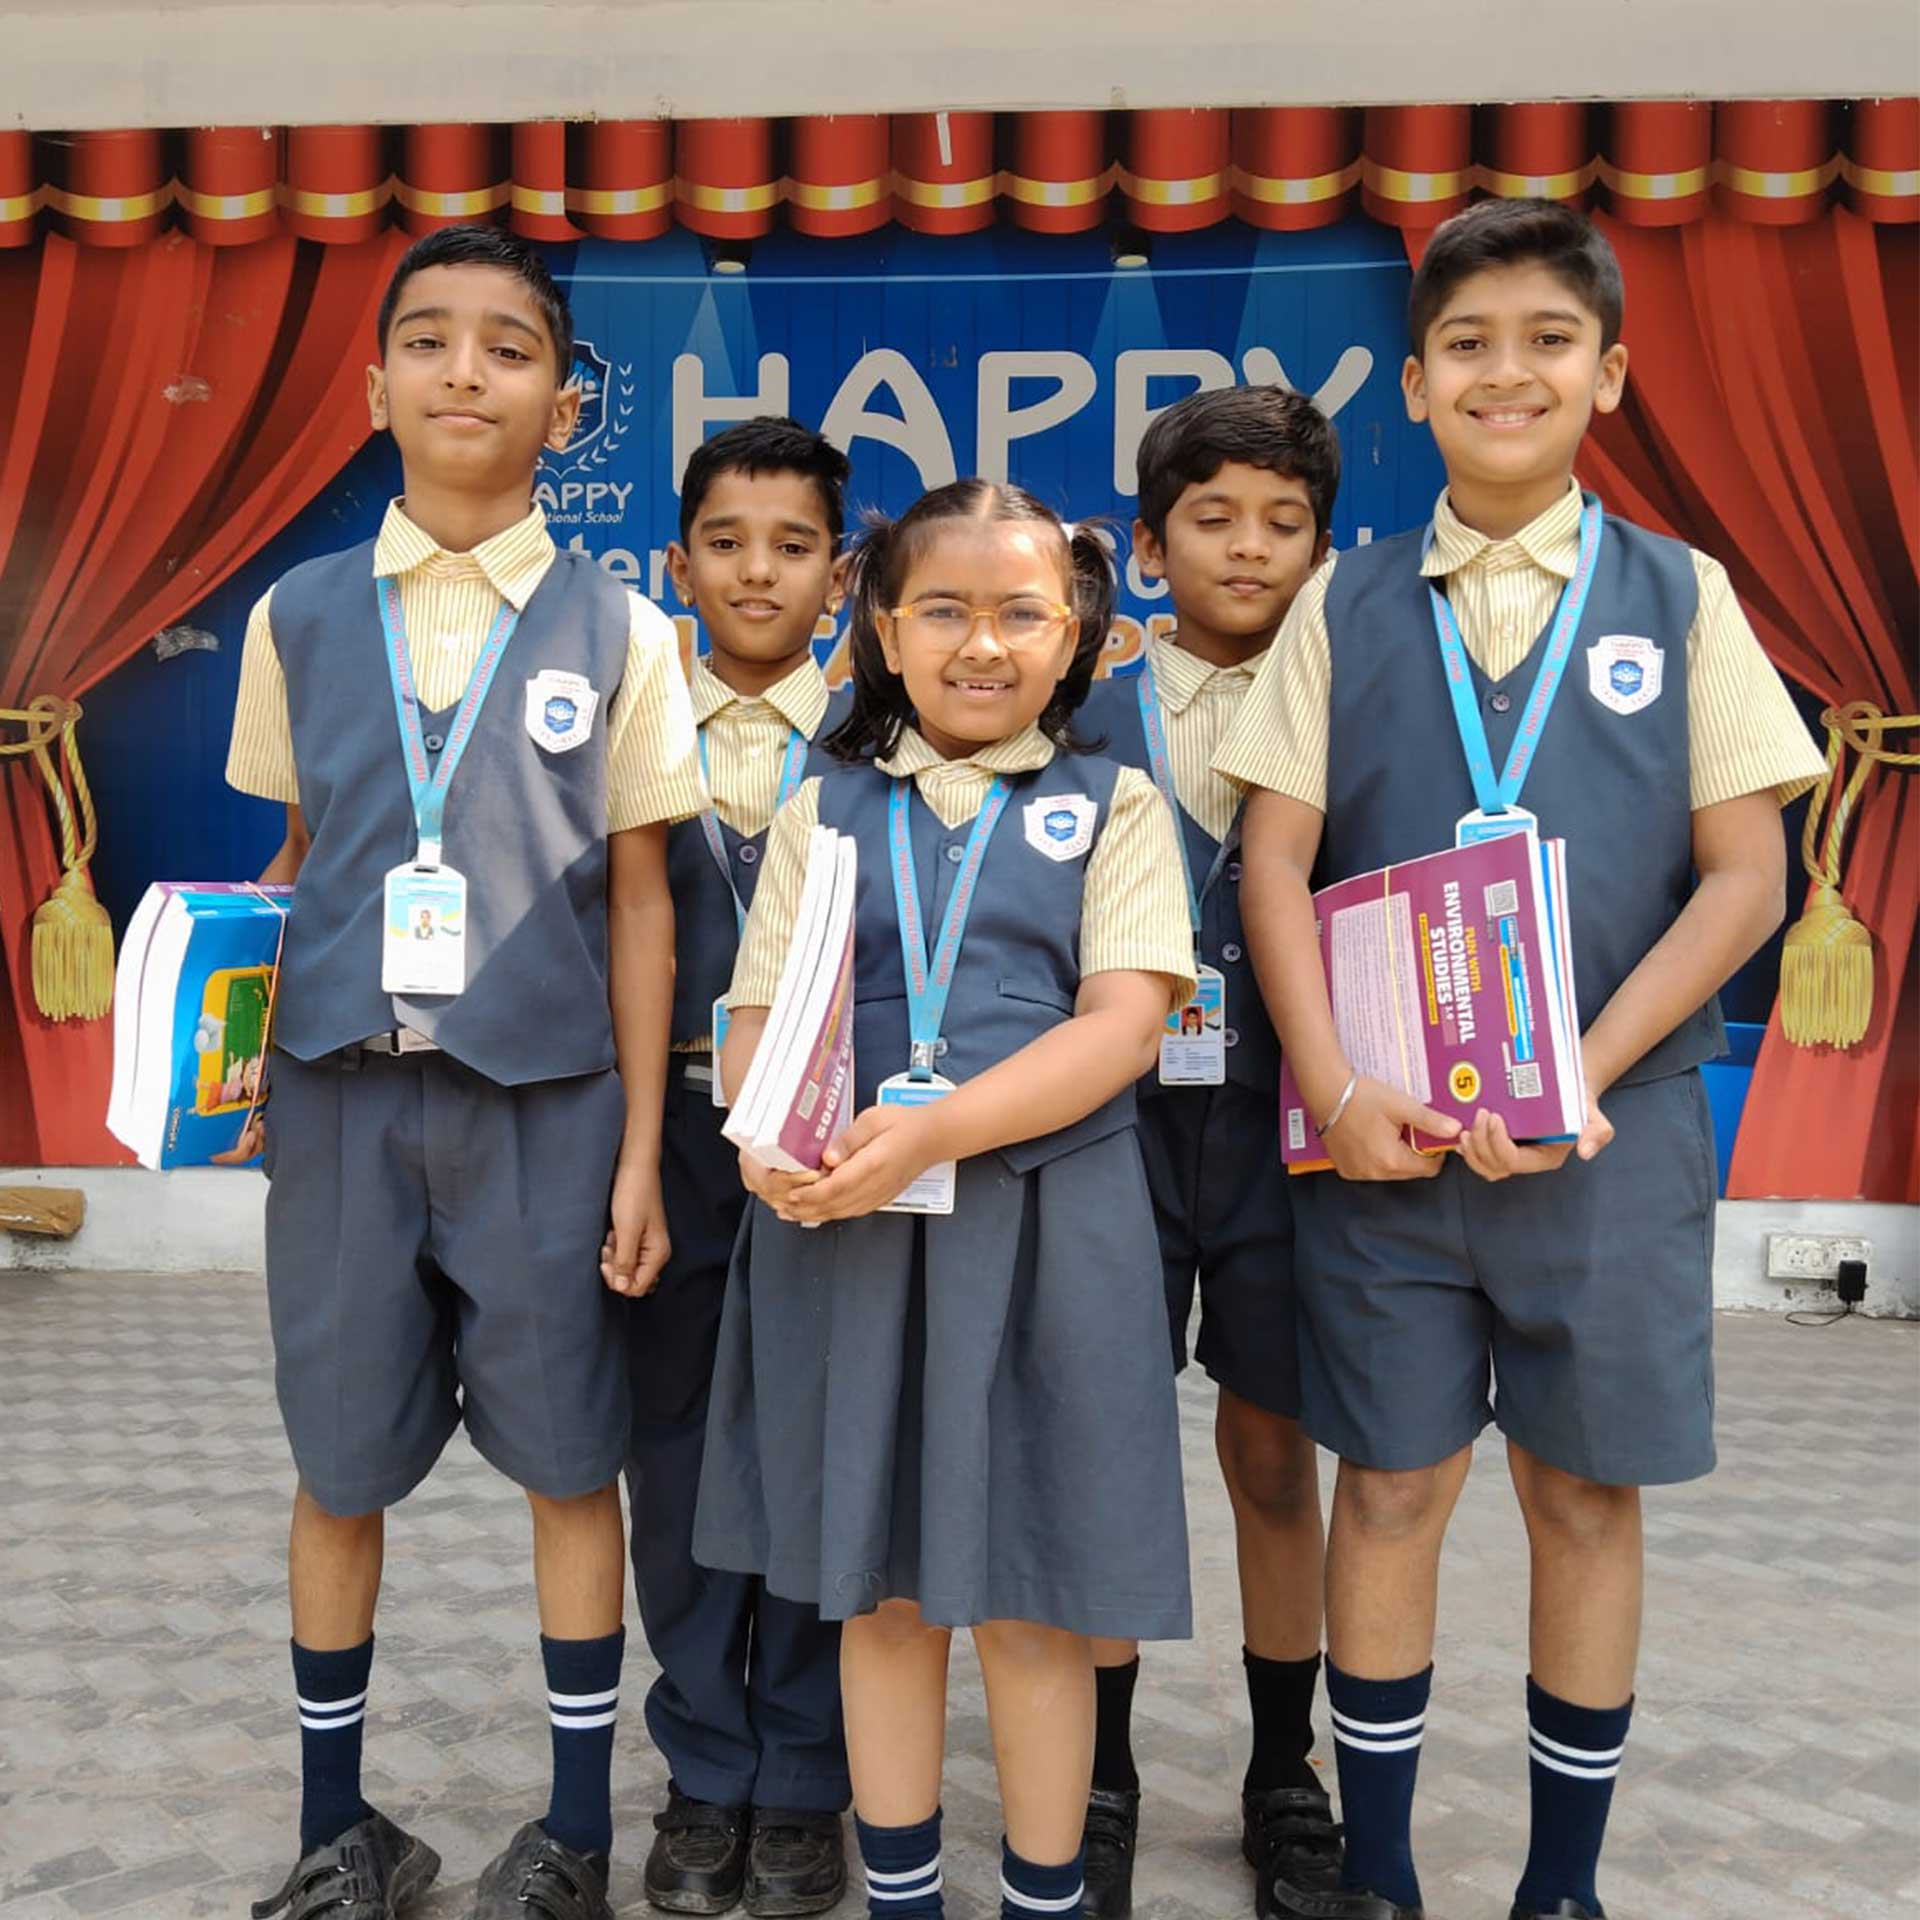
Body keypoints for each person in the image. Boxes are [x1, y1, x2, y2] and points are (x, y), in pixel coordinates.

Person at [1213, 197, 1825, 1920]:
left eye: (1548, 340)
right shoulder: (1344, 603)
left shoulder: (1683, 596)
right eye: (1466, 343)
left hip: (1608, 1147)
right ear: (1414, 383)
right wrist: (1340, 1089)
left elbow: (1747, 876)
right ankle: (1382, 1874)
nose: (1508, 372)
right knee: (1390, 1489)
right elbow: (1273, 861)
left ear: (1608, 375)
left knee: (1584, 1498)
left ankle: (1562, 1886)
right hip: (1386, 1150)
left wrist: (1580, 1071)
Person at [226, 223, 706, 1920]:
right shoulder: (294, 617)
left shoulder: (625, 631)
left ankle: (573, 1833)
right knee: (336, 1462)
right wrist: (221, 1055)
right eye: (427, 341)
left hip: (545, 1110)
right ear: (372, 389)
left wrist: (639, 1151)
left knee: (571, 1464)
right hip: (339, 1098)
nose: (464, 372)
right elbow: (298, 862)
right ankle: (335, 1828)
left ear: (564, 407)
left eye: (509, 348)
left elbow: (643, 906)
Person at [693, 479, 1196, 1920]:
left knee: (1035, 1600)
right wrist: (761, 1139)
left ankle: (1044, 1895)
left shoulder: (1117, 806)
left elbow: (1123, 1028)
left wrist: (935, 1133)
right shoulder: (824, 806)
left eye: (1022, 614)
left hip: (1052, 1239)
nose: (984, 644)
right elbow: (757, 1013)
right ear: (881, 627)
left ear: (1078, 632)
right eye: (945, 612)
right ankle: (904, 1896)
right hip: (853, 1239)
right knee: (886, 1596)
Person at [1074, 384, 1344, 1918]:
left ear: (1322, 547)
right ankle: (1100, 1774)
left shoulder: (1354, 711)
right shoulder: (1075, 713)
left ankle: (1283, 1771)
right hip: (1107, 1134)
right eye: (1213, 517)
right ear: (1150, 545)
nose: (1247, 547)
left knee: (1272, 1452)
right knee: (1106, 1449)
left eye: (1282, 522)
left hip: (1284, 1137)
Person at [626, 417, 855, 1917]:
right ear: (677, 563)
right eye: (725, 542)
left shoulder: (890, 733)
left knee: (828, 1451)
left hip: (840, 1155)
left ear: (842, 576)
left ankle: (809, 1776)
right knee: (678, 1452)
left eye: (792, 546)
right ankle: (705, 1766)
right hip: (677, 1137)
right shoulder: (631, 727)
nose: (757, 572)